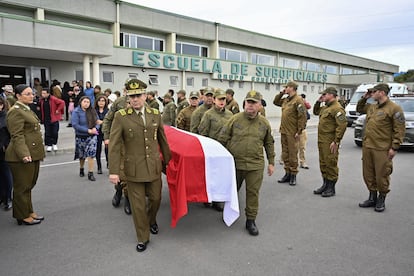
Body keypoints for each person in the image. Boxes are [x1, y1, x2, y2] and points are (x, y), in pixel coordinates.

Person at [108, 78, 171, 252]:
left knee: (156, 199)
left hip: (153, 167)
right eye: (132, 96)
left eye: (138, 95)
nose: (135, 99)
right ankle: (143, 237)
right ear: (128, 97)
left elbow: (162, 140)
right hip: (133, 170)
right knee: (137, 206)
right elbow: (114, 145)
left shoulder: (155, 114)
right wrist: (114, 171)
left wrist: (169, 162)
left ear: (145, 96)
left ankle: (151, 220)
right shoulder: (121, 117)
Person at [218, 90, 275, 236]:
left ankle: (251, 220)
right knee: (232, 190)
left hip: (255, 165)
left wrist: (271, 162)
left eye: (253, 102)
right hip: (235, 164)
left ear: (260, 105)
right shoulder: (235, 119)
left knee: (253, 193)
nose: (250, 105)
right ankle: (229, 212)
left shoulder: (264, 123)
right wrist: (219, 160)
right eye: (248, 102)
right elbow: (222, 139)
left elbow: (269, 143)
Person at [356, 83, 405, 212]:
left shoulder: (394, 109)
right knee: (368, 174)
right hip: (368, 146)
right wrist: (364, 97)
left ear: (382, 93)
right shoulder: (372, 107)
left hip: (382, 148)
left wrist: (394, 147)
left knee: (382, 175)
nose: (372, 94)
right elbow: (359, 108)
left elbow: (399, 130)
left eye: (374, 92)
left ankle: (381, 199)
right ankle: (372, 197)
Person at [5, 84, 45, 225]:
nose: (31, 96)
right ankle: (22, 216)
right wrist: (24, 154)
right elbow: (17, 135)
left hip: (32, 153)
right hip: (21, 155)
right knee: (22, 187)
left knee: (29, 184)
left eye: (32, 93)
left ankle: (29, 211)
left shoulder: (25, 108)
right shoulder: (16, 111)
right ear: (18, 96)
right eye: (27, 94)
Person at [198, 88, 233, 211]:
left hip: (225, 150)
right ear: (214, 100)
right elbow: (203, 133)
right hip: (212, 150)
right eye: (219, 99)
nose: (222, 101)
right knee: (210, 176)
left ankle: (218, 200)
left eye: (223, 99)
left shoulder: (230, 114)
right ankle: (207, 198)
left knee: (221, 177)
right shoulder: (208, 115)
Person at [312, 87, 347, 197]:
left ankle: (331, 188)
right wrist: (318, 101)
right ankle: (325, 184)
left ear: (331, 95)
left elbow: (342, 125)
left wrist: (336, 141)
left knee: (331, 163)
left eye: (325, 94)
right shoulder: (326, 107)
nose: (323, 96)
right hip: (322, 140)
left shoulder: (337, 108)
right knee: (323, 163)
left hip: (330, 141)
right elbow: (315, 111)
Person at [102, 84, 131, 214]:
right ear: (125, 91)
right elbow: (108, 119)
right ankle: (119, 191)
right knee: (120, 170)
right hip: (119, 140)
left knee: (132, 171)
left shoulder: (143, 103)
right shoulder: (119, 102)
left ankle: (129, 199)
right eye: (128, 90)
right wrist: (107, 136)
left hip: (133, 143)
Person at [273, 81, 307, 186]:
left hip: (293, 132)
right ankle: (287, 173)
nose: (285, 88)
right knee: (285, 153)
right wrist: (281, 93)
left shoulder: (298, 100)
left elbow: (302, 116)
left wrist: (299, 130)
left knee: (293, 154)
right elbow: (275, 102)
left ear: (291, 88)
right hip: (284, 130)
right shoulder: (286, 99)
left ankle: (293, 174)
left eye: (286, 87)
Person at [71, 96, 99, 181]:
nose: (86, 104)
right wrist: (87, 130)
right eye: (84, 102)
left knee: (91, 154)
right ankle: (81, 168)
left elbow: (97, 121)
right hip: (81, 136)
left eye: (88, 102)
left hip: (92, 136)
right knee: (82, 155)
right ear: (81, 102)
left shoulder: (92, 111)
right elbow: (75, 125)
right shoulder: (76, 112)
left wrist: (96, 128)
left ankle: (90, 173)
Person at [39, 87, 65, 152]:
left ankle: (54, 143)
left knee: (55, 132)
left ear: (48, 94)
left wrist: (58, 110)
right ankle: (49, 144)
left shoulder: (53, 99)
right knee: (47, 132)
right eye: (42, 93)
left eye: (44, 93)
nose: (43, 94)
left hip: (54, 118)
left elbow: (62, 102)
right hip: (46, 118)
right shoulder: (41, 100)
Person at [0, 97, 13, 210]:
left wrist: (6, 145)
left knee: (6, 174)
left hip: (4, 151)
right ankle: (2, 196)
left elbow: (12, 135)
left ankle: (8, 198)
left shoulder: (7, 118)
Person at [94, 94, 109, 174]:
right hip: (97, 132)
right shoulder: (94, 111)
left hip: (106, 132)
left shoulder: (108, 110)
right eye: (99, 101)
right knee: (98, 149)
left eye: (103, 101)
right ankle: (99, 167)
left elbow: (110, 121)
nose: (101, 102)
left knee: (107, 148)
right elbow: (92, 120)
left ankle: (108, 163)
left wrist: (102, 122)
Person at [298, 93, 312, 169]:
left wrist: (304, 102)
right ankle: (284, 159)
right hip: (293, 130)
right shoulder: (292, 106)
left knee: (302, 147)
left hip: (302, 129)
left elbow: (308, 115)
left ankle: (302, 161)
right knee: (291, 147)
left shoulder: (302, 107)